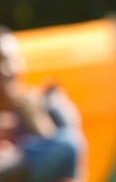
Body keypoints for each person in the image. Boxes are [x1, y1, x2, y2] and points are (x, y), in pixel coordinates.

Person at [0, 26, 84, 182]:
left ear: (20, 62)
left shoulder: (50, 103)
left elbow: (69, 159)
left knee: (68, 143)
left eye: (7, 60)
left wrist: (36, 119)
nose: (3, 70)